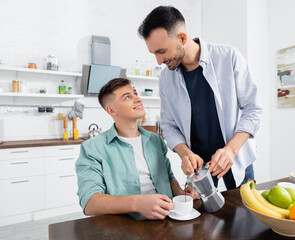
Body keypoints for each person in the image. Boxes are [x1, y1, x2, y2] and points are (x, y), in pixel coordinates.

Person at [138, 6, 262, 190]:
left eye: (162, 51)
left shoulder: (228, 57)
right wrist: (184, 153)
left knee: (244, 216)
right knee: (201, 218)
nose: (158, 61)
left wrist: (230, 150)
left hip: (236, 159)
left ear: (182, 38)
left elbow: (253, 110)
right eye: (154, 53)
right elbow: (168, 125)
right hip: (199, 171)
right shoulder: (166, 78)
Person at [75, 78, 199, 220]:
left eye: (135, 93)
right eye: (127, 97)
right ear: (111, 110)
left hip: (166, 220)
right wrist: (137, 203)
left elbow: (169, 178)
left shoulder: (156, 140)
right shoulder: (92, 148)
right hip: (124, 226)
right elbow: (89, 202)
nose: (138, 99)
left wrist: (181, 194)